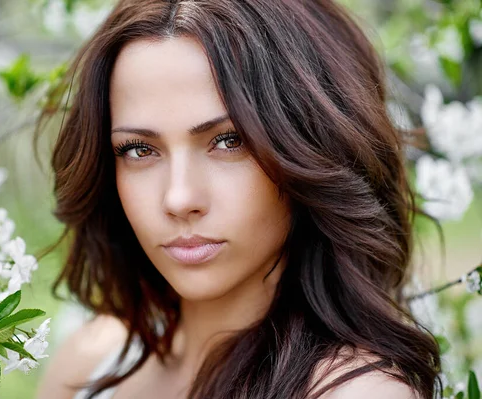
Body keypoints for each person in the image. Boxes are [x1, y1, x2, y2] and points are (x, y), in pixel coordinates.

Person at [35, 0, 441, 398]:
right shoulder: (90, 361)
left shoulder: (356, 393)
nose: (179, 198)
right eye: (139, 149)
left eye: (229, 141)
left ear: (312, 146)